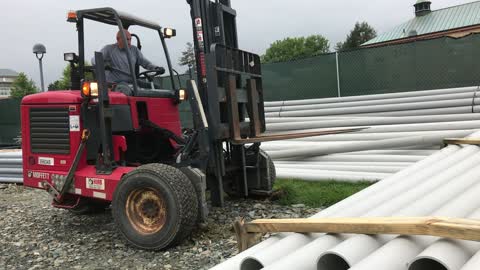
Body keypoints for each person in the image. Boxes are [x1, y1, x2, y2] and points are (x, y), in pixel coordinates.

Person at [96, 29, 164, 88]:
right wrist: (103, 64)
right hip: (115, 84)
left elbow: (145, 63)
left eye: (130, 39)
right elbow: (94, 60)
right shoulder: (109, 49)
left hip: (131, 82)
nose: (129, 42)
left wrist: (156, 68)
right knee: (129, 89)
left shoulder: (134, 50)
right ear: (118, 39)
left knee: (155, 87)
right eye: (126, 39)